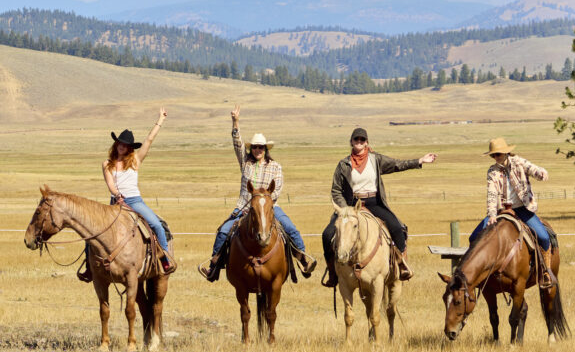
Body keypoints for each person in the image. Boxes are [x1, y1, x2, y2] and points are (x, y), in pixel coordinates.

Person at [199, 107, 316, 281]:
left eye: (260, 147)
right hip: (243, 208)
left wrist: (264, 203)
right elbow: (237, 143)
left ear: (265, 148)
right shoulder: (246, 162)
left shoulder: (275, 167)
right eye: (254, 147)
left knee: (291, 229)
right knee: (223, 232)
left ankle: (303, 261)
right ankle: (214, 267)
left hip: (270, 208)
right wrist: (235, 122)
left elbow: (277, 189)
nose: (257, 150)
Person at [320, 127, 437, 286]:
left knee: (397, 228)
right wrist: (345, 209)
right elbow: (336, 190)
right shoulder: (343, 164)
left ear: (367, 142)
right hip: (350, 206)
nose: (359, 142)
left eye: (362, 140)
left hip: (373, 202)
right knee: (327, 235)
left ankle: (401, 264)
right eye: (356, 140)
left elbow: (397, 164)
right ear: (351, 142)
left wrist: (419, 161)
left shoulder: (375, 160)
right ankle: (333, 273)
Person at [103, 110, 176, 275]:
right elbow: (110, 184)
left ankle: (164, 258)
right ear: (116, 144)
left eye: (125, 144)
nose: (122, 146)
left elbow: (149, 140)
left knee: (156, 225)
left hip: (135, 201)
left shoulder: (135, 160)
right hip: (116, 203)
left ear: (129, 148)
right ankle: (89, 266)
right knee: (95, 230)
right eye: (120, 143)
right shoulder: (107, 163)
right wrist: (117, 195)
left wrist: (160, 120)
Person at [470, 138, 555, 264]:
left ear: (505, 152)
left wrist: (541, 173)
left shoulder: (518, 162)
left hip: (522, 208)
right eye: (492, 155)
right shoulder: (492, 171)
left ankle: (546, 270)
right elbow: (492, 193)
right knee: (473, 238)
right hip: (501, 210)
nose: (495, 157)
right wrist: (492, 214)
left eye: (497, 154)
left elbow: (533, 169)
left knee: (543, 237)